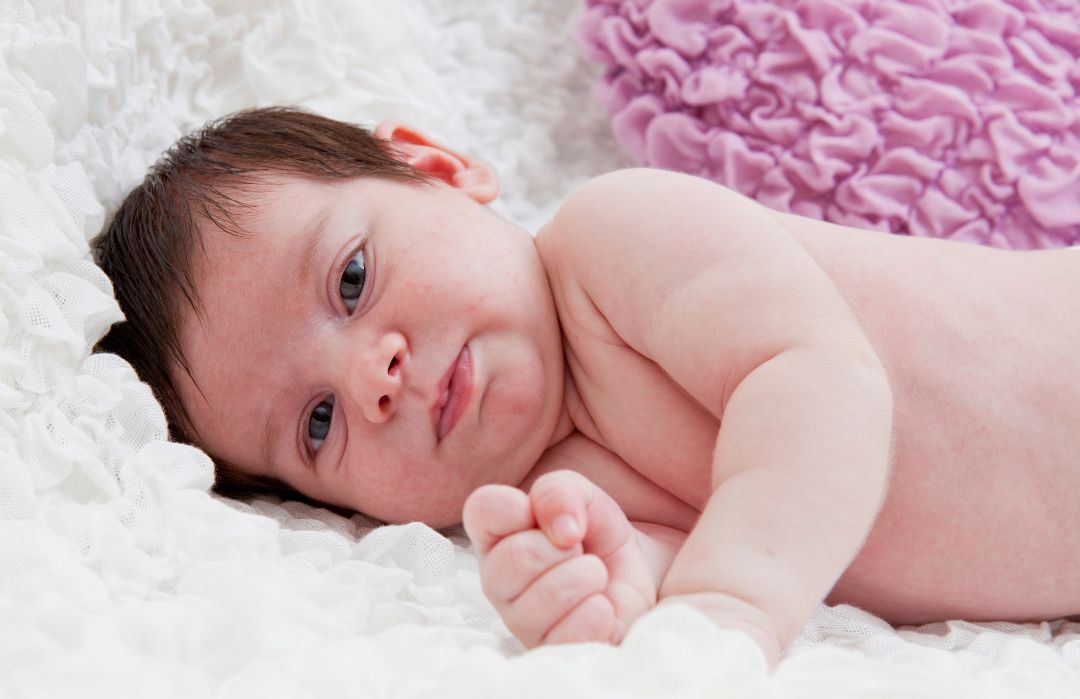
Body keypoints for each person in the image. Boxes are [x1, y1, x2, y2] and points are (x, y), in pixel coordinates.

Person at [93, 106, 1080, 670]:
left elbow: (821, 387)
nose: (370, 378)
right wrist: (609, 595)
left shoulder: (619, 241)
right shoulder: (557, 499)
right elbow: (695, 547)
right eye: (316, 425)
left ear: (437, 168)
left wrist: (726, 610)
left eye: (352, 280)